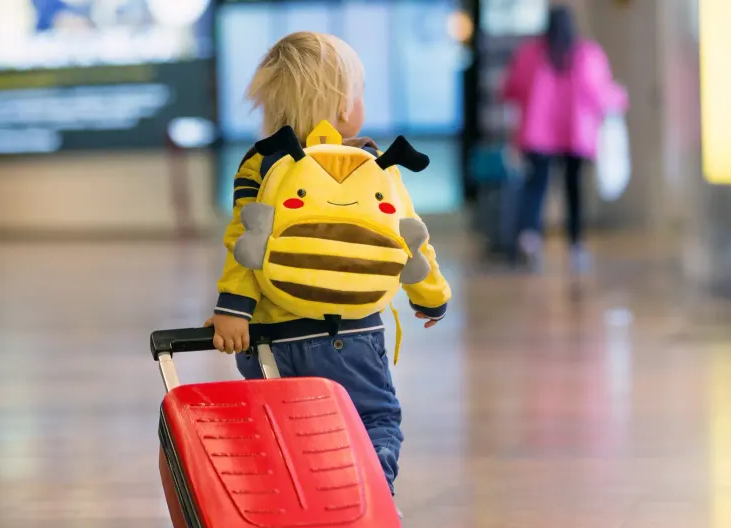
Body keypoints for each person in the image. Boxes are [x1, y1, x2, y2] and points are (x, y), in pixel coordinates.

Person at [204, 32, 452, 500]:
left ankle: (300, 512)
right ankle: (366, 497)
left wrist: (234, 310)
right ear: (343, 107)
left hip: (273, 340)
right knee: (372, 419)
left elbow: (245, 240)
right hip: (353, 335)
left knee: (287, 431)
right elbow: (409, 237)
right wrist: (432, 298)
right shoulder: (371, 162)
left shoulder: (259, 163)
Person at [501, 4, 628, 272]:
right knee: (574, 190)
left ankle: (530, 238)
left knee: (536, 187)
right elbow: (599, 94)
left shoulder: (530, 54)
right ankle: (576, 243)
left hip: (537, 135)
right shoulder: (587, 55)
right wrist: (620, 97)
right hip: (575, 134)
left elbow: (511, 87)